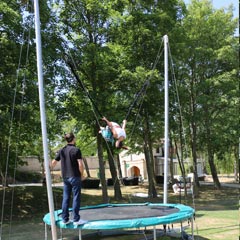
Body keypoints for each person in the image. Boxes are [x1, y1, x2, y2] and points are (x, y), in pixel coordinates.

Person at [50, 133, 88, 226]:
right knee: (76, 197)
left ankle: (65, 219)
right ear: (73, 139)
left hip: (65, 177)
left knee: (66, 197)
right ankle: (76, 219)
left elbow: (54, 162)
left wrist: (48, 170)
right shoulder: (76, 150)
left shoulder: (62, 150)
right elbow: (80, 164)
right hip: (75, 176)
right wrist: (82, 174)